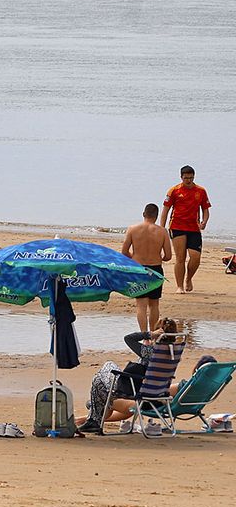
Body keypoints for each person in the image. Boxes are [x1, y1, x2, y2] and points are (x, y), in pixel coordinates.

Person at [78, 321, 183, 433]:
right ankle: (94, 417)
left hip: (133, 389)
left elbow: (128, 338)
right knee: (98, 381)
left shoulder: (150, 352)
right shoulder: (174, 355)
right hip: (156, 394)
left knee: (107, 366)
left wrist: (149, 334)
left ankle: (95, 416)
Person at [122, 202, 173, 332]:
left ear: (144, 214)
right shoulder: (162, 231)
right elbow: (168, 256)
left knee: (141, 305)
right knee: (154, 304)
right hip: (155, 269)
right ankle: (153, 333)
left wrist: (134, 257)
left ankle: (145, 336)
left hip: (138, 269)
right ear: (156, 216)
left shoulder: (133, 229)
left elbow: (124, 251)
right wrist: (157, 257)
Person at [161, 165, 211, 293]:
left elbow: (205, 209)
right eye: (186, 178)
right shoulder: (174, 190)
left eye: (190, 177)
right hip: (177, 226)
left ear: (194, 177)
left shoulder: (201, 191)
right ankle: (180, 286)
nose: (188, 180)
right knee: (180, 258)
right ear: (181, 177)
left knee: (195, 257)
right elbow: (165, 210)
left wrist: (204, 222)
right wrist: (162, 228)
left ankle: (188, 279)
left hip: (194, 228)